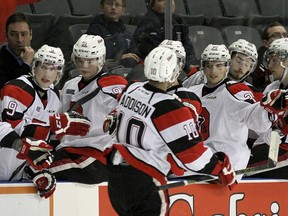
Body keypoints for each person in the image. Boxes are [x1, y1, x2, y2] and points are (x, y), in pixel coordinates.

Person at [105, 46, 237, 215]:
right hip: (144, 178)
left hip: (117, 176)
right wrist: (219, 168)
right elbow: (192, 155)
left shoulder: (131, 89)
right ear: (173, 72)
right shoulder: (168, 107)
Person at [0, 44, 91, 198]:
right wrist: (54, 127)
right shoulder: (16, 89)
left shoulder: (55, 97)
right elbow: (11, 127)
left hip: (18, 171)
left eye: (53, 68)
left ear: (59, 73)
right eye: (43, 67)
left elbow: (44, 143)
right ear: (34, 67)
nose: (47, 73)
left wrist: (38, 170)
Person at [186, 44, 287, 182]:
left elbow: (257, 121)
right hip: (203, 158)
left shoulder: (237, 90)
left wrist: (268, 110)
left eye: (219, 65)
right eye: (209, 65)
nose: (213, 70)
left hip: (228, 161)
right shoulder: (192, 92)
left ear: (226, 66)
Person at [48, 34, 128, 184]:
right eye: (80, 60)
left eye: (90, 61)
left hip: (95, 156)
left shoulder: (113, 85)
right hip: (67, 150)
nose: (84, 66)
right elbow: (59, 121)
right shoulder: (70, 85)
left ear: (101, 59)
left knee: (39, 170)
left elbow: (123, 117)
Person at [247, 38, 288, 179]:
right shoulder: (272, 87)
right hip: (273, 143)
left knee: (244, 171)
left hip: (284, 148)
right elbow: (260, 128)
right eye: (269, 60)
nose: (270, 65)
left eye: (274, 60)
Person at [133, 0, 199, 74]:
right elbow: (155, 53)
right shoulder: (148, 22)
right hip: (156, 69)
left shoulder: (179, 21)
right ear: (152, 5)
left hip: (179, 65)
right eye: (161, 0)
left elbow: (188, 48)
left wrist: (192, 63)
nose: (167, 3)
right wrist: (187, 66)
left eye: (171, 0)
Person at [86, 0, 139, 69]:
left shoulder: (126, 33)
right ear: (102, 7)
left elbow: (133, 54)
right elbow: (92, 58)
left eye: (117, 5)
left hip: (125, 70)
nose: (113, 7)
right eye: (109, 4)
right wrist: (119, 58)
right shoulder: (95, 30)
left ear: (123, 10)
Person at [252, 22, 287, 91]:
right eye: (277, 35)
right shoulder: (257, 65)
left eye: (285, 35)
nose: (282, 38)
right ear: (266, 43)